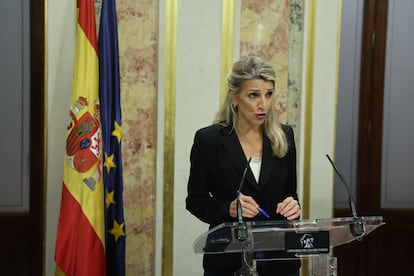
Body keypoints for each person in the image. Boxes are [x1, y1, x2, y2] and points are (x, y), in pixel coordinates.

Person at [185, 56, 301, 276]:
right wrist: (227, 208)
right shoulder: (209, 141)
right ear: (234, 97)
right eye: (253, 95)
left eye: (269, 94)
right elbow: (195, 201)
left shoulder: (284, 136)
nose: (263, 105)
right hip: (228, 259)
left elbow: (290, 193)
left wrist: (292, 206)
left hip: (278, 259)